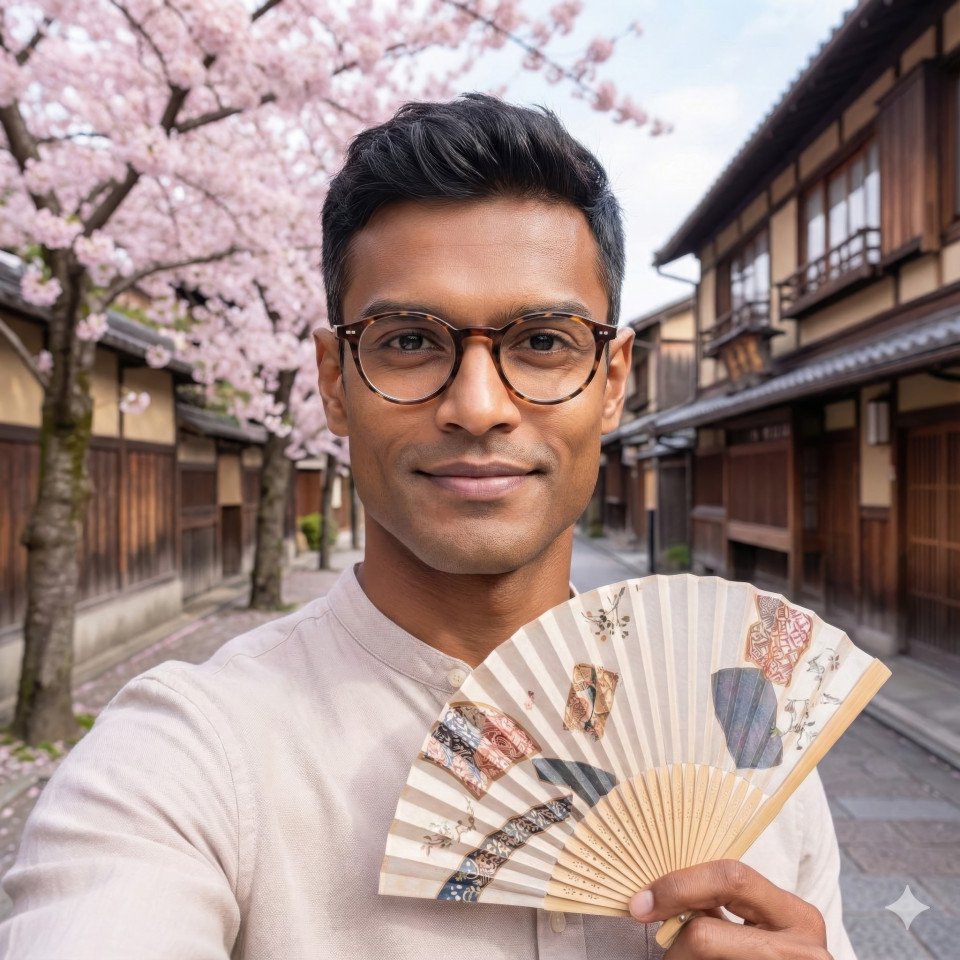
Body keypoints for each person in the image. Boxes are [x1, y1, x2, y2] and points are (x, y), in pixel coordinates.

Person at [0, 94, 851, 960]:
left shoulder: (753, 743)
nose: (478, 407)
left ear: (613, 378)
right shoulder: (183, 764)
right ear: (335, 380)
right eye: (408, 341)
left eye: (544, 342)